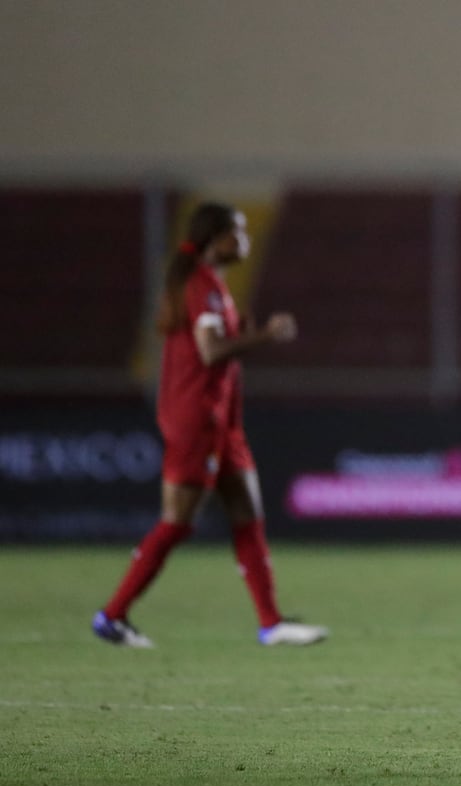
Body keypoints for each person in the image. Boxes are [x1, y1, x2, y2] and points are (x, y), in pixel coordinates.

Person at [92, 202, 328, 648]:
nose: (244, 241)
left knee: (248, 515)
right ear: (215, 238)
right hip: (196, 418)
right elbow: (211, 351)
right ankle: (112, 615)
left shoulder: (209, 285)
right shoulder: (202, 285)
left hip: (222, 421)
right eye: (237, 232)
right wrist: (266, 335)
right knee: (177, 522)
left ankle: (272, 623)